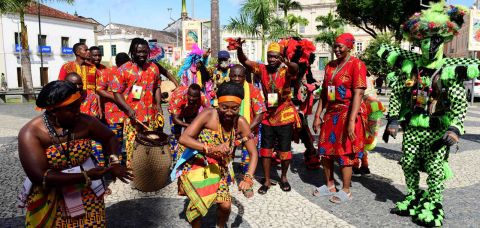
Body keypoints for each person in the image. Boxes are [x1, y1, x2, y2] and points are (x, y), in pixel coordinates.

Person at [379, 3, 472, 226]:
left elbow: (460, 101)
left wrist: (455, 128)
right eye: (424, 41)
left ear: (442, 42)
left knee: (435, 167)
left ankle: (434, 202)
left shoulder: (448, 70)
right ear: (418, 43)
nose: (429, 45)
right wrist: (392, 120)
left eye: (435, 41)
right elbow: (398, 93)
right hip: (412, 127)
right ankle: (413, 195)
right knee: (408, 162)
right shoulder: (411, 68)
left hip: (437, 128)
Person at [18, 80, 132, 227]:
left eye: (78, 106)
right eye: (72, 109)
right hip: (51, 195)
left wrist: (115, 162)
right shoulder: (31, 133)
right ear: (53, 111)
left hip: (86, 193)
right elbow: (41, 177)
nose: (78, 112)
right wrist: (86, 175)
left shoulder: (85, 122)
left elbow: (109, 138)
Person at [171, 81, 258, 228]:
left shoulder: (241, 122)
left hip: (220, 168)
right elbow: (184, 138)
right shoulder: (208, 115)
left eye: (234, 108)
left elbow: (253, 152)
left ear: (239, 107)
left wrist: (248, 178)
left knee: (225, 205)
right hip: (197, 164)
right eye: (224, 107)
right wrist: (211, 148)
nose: (229, 112)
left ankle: (220, 226)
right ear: (218, 104)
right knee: (198, 207)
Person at [236, 39, 299, 194]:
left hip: (284, 114)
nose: (272, 59)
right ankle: (266, 180)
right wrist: (239, 48)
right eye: (269, 56)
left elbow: (295, 69)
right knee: (265, 150)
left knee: (285, 151)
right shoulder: (261, 69)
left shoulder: (286, 70)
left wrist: (287, 62)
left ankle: (283, 177)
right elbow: (244, 61)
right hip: (268, 116)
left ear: (280, 57)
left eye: (275, 56)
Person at [312, 33, 368, 203]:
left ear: (350, 47)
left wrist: (351, 122)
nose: (336, 49)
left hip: (348, 112)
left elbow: (358, 93)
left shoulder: (357, 65)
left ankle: (346, 189)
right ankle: (329, 185)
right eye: (335, 46)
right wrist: (317, 115)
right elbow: (324, 93)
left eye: (340, 46)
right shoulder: (329, 66)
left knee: (345, 152)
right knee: (325, 151)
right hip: (331, 113)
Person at [111, 38, 164, 166]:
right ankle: (134, 171)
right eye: (138, 52)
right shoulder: (124, 69)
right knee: (132, 145)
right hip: (133, 117)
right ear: (132, 52)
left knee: (150, 144)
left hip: (150, 115)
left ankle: (148, 169)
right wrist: (128, 109)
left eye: (145, 52)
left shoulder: (154, 68)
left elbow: (157, 86)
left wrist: (158, 105)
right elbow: (116, 92)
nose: (142, 54)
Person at [229, 64, 266, 173]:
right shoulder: (225, 89)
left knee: (247, 162)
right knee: (226, 159)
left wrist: (245, 130)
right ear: (229, 76)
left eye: (239, 76)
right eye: (234, 76)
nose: (236, 79)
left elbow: (260, 115)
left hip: (249, 131)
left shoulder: (253, 90)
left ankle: (247, 183)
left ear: (244, 76)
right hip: (229, 130)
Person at [97, 52, 131, 165]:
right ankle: (116, 166)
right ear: (117, 64)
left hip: (130, 111)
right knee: (115, 140)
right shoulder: (107, 72)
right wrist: (116, 98)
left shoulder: (132, 72)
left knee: (130, 140)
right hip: (114, 114)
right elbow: (100, 89)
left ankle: (129, 163)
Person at [168, 83, 210, 161]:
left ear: (199, 96)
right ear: (187, 93)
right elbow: (175, 119)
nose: (191, 98)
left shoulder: (203, 98)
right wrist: (189, 125)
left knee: (191, 135)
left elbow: (210, 112)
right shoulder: (179, 96)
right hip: (177, 114)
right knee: (177, 136)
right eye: (190, 95)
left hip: (191, 111)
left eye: (194, 97)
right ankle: (174, 157)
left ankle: (188, 156)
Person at [58, 43, 100, 119]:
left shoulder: (92, 67)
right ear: (77, 52)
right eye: (86, 50)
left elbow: (98, 86)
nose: (88, 52)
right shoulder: (67, 67)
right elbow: (60, 85)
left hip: (91, 104)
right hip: (73, 103)